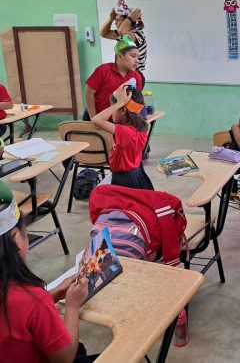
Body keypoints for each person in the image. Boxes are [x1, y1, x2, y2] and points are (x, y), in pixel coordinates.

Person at [0, 180, 92, 362]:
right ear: (17, 239)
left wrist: (54, 294)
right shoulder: (33, 300)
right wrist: (72, 306)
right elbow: (65, 358)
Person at [91, 83, 154, 190]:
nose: (111, 111)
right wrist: (120, 103)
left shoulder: (125, 132)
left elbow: (96, 120)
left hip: (124, 181)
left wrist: (119, 102)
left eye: (113, 107)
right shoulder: (139, 127)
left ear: (123, 110)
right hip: (136, 175)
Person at [84, 35, 143, 120]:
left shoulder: (136, 76)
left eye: (138, 57)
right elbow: (89, 94)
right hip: (98, 119)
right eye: (133, 56)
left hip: (120, 121)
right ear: (119, 56)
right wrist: (93, 117)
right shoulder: (103, 70)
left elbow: (136, 100)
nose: (137, 61)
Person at [99, 0, 147, 85]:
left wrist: (130, 18)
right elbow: (103, 33)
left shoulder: (137, 33)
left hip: (134, 74)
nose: (115, 23)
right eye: (115, 20)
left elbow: (122, 31)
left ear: (127, 21)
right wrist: (111, 19)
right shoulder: (121, 34)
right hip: (124, 73)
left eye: (118, 20)